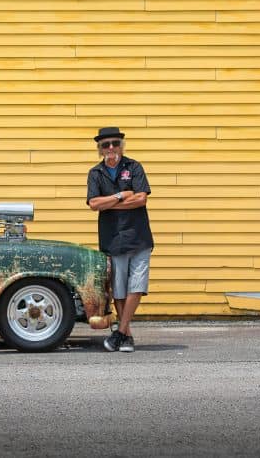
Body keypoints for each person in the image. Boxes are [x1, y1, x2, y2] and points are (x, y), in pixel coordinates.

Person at [86, 126, 154, 353]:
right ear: (100, 149)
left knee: (136, 285)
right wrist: (120, 195)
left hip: (139, 236)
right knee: (118, 289)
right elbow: (94, 204)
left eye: (115, 143)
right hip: (113, 238)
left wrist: (110, 204)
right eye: (106, 145)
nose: (111, 148)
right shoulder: (95, 173)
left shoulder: (134, 167)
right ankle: (126, 335)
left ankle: (121, 332)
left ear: (121, 145)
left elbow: (141, 198)